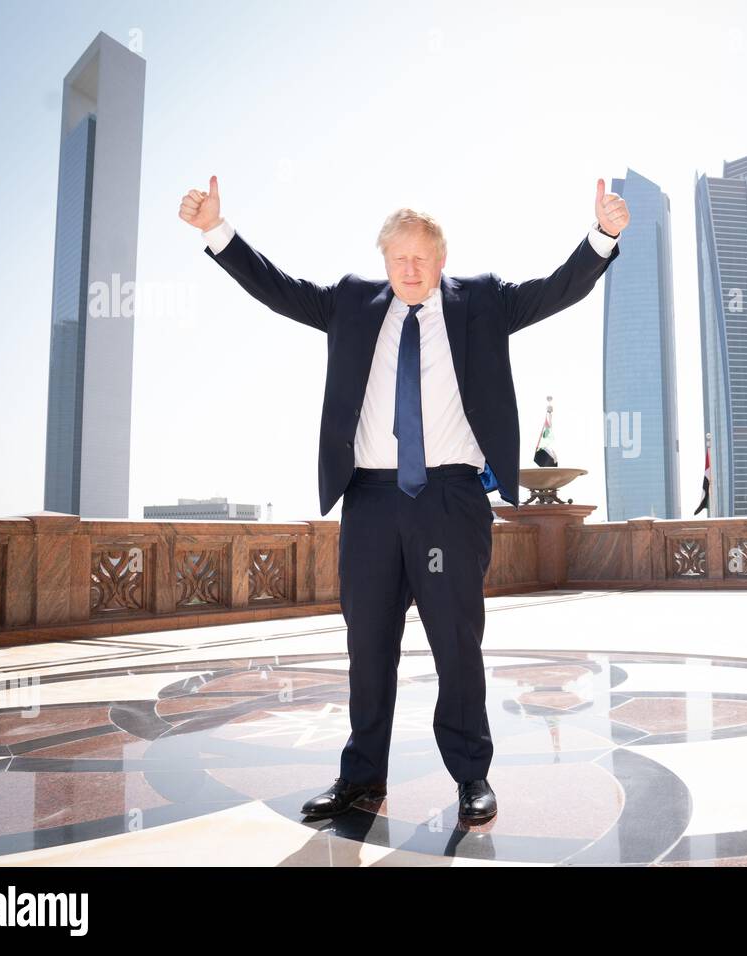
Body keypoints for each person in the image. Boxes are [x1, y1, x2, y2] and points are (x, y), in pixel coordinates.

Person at [178, 175, 628, 824]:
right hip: (371, 503)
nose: (410, 270)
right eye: (398, 259)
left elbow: (559, 288)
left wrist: (603, 235)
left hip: (447, 498)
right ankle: (361, 778)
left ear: (441, 259)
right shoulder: (351, 303)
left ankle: (472, 777)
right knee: (368, 645)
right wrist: (218, 231)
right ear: (383, 261)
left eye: (421, 258)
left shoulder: (483, 303)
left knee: (455, 643)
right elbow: (277, 288)